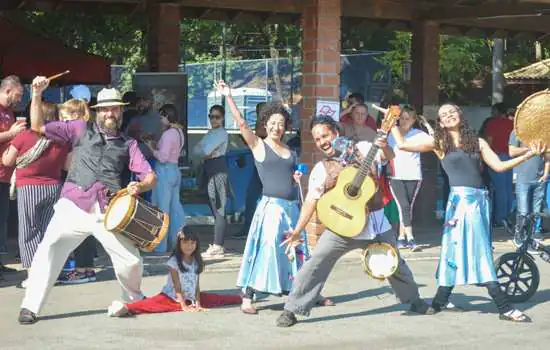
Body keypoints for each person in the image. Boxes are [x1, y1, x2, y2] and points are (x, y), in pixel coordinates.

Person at [17, 76, 157, 325]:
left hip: (108, 210)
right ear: (97, 112)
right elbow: (38, 126)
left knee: (131, 260)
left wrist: (141, 185)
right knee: (48, 250)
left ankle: (134, 298)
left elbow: (149, 176)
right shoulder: (79, 128)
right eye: (105, 109)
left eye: (115, 108)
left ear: (121, 112)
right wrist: (36, 95)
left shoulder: (129, 144)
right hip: (73, 205)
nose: (110, 113)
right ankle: (31, 306)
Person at [390, 103, 544, 322]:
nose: (449, 115)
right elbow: (403, 145)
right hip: (460, 203)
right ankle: (503, 306)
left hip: (480, 202)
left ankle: (440, 301)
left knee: (460, 251)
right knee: (472, 251)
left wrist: (530, 153)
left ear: (460, 115)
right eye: (444, 114)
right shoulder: (439, 142)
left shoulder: (478, 142)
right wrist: (392, 122)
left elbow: (499, 166)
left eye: (452, 111)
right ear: (440, 122)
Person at [276, 115, 430, 328]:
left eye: (325, 135)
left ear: (335, 133)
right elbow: (310, 201)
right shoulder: (322, 168)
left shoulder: (365, 148)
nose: (322, 142)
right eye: (317, 139)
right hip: (343, 226)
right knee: (316, 261)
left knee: (395, 262)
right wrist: (297, 231)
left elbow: (389, 155)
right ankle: (292, 309)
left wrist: (384, 146)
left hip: (375, 223)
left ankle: (414, 300)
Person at [215, 81, 312, 314]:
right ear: (265, 125)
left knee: (296, 251)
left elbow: (288, 179)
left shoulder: (290, 151)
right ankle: (247, 296)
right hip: (271, 209)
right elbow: (241, 124)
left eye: (281, 123)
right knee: (265, 250)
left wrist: (296, 177)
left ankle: (300, 292)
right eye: (273, 123)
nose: (277, 127)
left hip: (291, 208)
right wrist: (228, 96)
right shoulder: (259, 146)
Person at [2, 101, 69, 289]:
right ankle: (50, 273)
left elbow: (7, 161)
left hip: (29, 188)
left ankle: (33, 275)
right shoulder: (61, 140)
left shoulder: (24, 137)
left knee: (29, 231)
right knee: (49, 232)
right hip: (54, 187)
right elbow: (67, 166)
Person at [107, 229, 241, 317]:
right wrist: (183, 306)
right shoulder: (174, 261)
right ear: (179, 244)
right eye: (185, 243)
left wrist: (198, 303)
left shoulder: (196, 260)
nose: (189, 246)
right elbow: (177, 286)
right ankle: (123, 307)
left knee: (217, 299)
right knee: (150, 305)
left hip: (191, 298)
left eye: (192, 243)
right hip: (171, 297)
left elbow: (197, 285)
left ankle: (242, 298)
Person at [387, 106, 430, 251]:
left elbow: (436, 141)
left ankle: (400, 238)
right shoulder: (392, 132)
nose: (404, 121)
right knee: (403, 206)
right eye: (402, 118)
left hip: (414, 175)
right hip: (395, 175)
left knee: (406, 208)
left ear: (413, 121)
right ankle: (411, 238)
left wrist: (428, 125)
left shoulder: (418, 134)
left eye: (408, 119)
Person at [144, 104, 186, 252]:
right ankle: (178, 242)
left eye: (162, 116)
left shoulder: (168, 134)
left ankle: (160, 247)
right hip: (175, 170)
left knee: (162, 209)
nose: (160, 119)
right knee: (175, 208)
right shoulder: (179, 132)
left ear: (168, 117)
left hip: (164, 171)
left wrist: (151, 148)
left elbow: (162, 157)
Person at [193, 105, 230, 258]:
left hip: (217, 169)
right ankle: (217, 243)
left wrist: (204, 152)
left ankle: (218, 245)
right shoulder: (211, 133)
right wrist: (204, 152)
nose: (214, 120)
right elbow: (196, 150)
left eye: (217, 117)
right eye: (211, 116)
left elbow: (204, 150)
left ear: (222, 118)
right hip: (210, 168)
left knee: (219, 208)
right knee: (214, 207)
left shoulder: (221, 133)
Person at [0, 75, 25, 275]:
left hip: (5, 174)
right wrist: (12, 134)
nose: (20, 99)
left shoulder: (9, 113)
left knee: (3, 220)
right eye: (18, 95)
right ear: (8, 90)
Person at [509, 130, 549, 249]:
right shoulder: (517, 131)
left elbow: (547, 157)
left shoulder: (543, 133)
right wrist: (530, 150)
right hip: (522, 178)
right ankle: (519, 235)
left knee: (536, 211)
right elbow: (511, 152)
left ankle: (530, 237)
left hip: (539, 178)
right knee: (523, 211)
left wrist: (545, 174)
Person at [479, 103, 514, 227]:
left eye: (493, 111)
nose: (491, 113)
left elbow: (488, 141)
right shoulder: (512, 124)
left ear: (498, 111)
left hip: (496, 155)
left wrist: (483, 157)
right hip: (510, 156)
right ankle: (508, 215)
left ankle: (500, 218)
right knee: (507, 188)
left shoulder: (493, 123)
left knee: (499, 189)